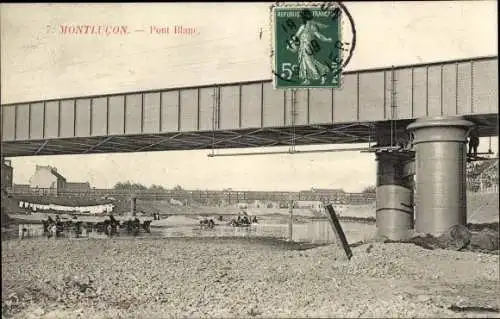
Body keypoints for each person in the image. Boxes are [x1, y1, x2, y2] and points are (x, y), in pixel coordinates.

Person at [287, 9, 334, 85]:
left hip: (308, 47)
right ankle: (308, 78)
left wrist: (326, 39)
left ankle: (320, 73)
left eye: (302, 17)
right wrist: (291, 42)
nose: (301, 18)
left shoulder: (311, 26)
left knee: (309, 62)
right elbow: (296, 36)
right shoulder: (303, 26)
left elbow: (318, 35)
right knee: (304, 62)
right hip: (302, 47)